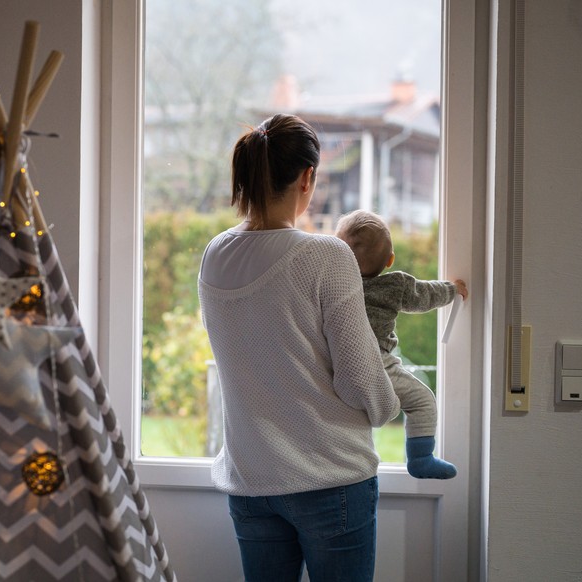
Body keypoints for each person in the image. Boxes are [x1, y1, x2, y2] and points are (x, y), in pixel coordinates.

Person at [198, 114, 400, 582]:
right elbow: (360, 381)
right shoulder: (326, 256)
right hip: (331, 480)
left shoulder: (214, 254)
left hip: (251, 483)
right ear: (308, 177)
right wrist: (389, 404)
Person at [335, 209, 468, 480]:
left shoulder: (332, 284)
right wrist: (453, 290)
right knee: (422, 401)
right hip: (378, 364)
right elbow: (426, 295)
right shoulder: (395, 286)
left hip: (334, 363)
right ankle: (421, 459)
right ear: (390, 260)